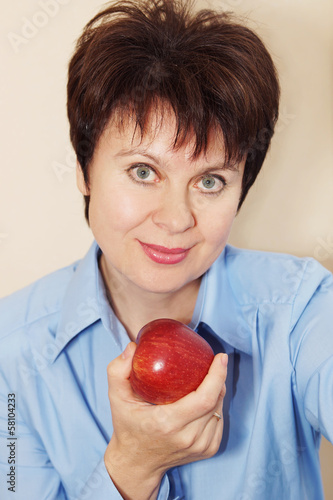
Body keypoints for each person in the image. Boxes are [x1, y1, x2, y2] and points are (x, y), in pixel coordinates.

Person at [0, 0, 332, 499]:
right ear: (84, 170)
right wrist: (131, 468)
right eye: (142, 171)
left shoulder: (302, 308)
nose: (176, 218)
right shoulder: (10, 354)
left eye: (211, 181)